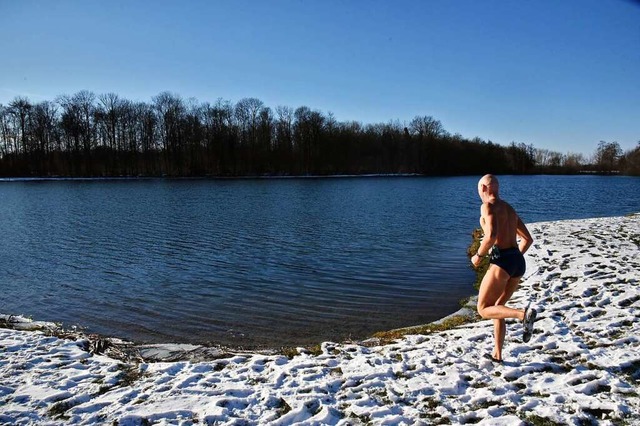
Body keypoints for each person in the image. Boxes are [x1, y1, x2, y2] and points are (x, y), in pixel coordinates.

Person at [471, 174, 536, 363]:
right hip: (517, 261)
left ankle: (522, 315)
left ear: (483, 189)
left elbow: (491, 236)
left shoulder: (488, 206)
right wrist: (514, 259)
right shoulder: (509, 208)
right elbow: (528, 239)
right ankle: (497, 355)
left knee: (483, 309)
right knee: (497, 308)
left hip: (502, 261)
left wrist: (478, 256)